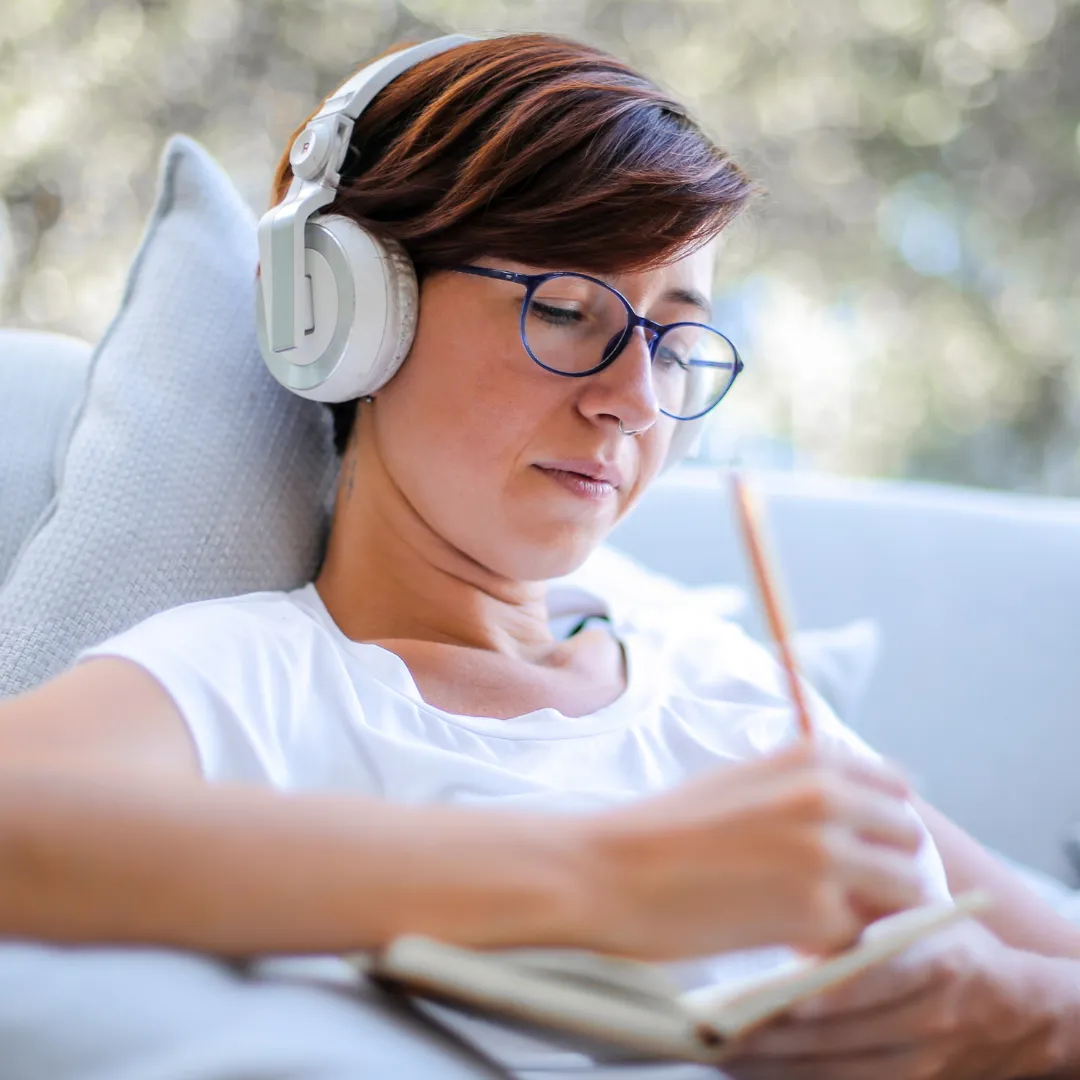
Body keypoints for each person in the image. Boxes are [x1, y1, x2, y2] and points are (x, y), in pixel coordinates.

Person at [2, 31, 1080, 1080]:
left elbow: (1044, 959)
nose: (633, 399)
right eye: (566, 310)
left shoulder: (721, 677)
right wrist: (609, 879)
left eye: (672, 336)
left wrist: (1023, 1022)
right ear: (349, 311)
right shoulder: (254, 680)